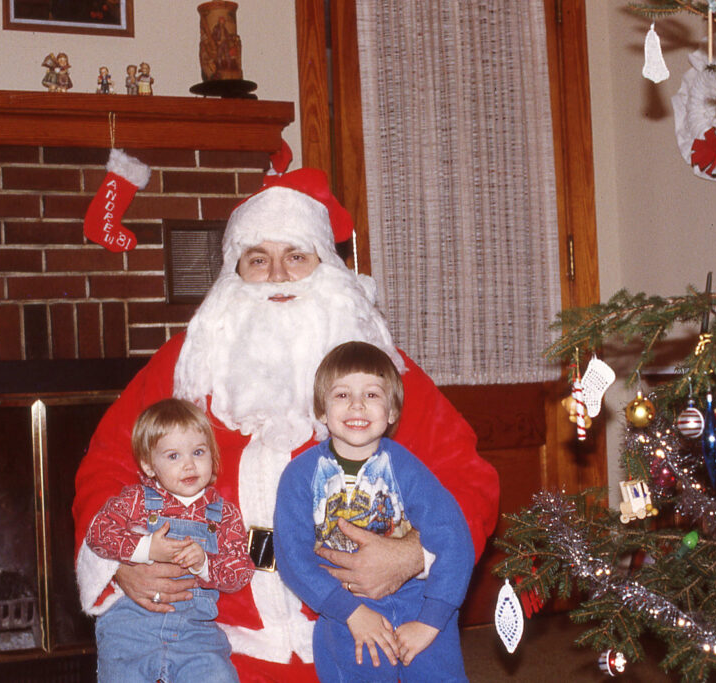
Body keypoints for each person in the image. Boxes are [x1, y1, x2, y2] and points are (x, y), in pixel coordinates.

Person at [73, 146, 500, 682]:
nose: (277, 276)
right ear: (235, 273)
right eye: (257, 259)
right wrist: (126, 561)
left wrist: (412, 555)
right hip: (216, 643)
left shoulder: (376, 369)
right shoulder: (185, 362)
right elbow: (108, 463)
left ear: (327, 267)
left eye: (296, 256)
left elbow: (467, 477)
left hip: (354, 632)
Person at [275, 341, 472, 682]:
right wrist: (349, 612)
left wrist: (431, 620)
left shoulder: (407, 468)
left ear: (392, 412)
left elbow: (454, 538)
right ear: (321, 411)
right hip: (347, 611)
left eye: (371, 395)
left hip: (420, 602)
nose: (356, 405)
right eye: (341, 395)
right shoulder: (300, 475)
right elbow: (293, 558)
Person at [84, 398, 254, 682]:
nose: (188, 465)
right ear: (149, 466)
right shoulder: (136, 500)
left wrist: (204, 565)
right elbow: (98, 534)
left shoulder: (224, 515)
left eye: (198, 452)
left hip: (195, 634)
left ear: (212, 457)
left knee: (220, 676)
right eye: (173, 456)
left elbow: (241, 572)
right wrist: (146, 548)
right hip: (130, 629)